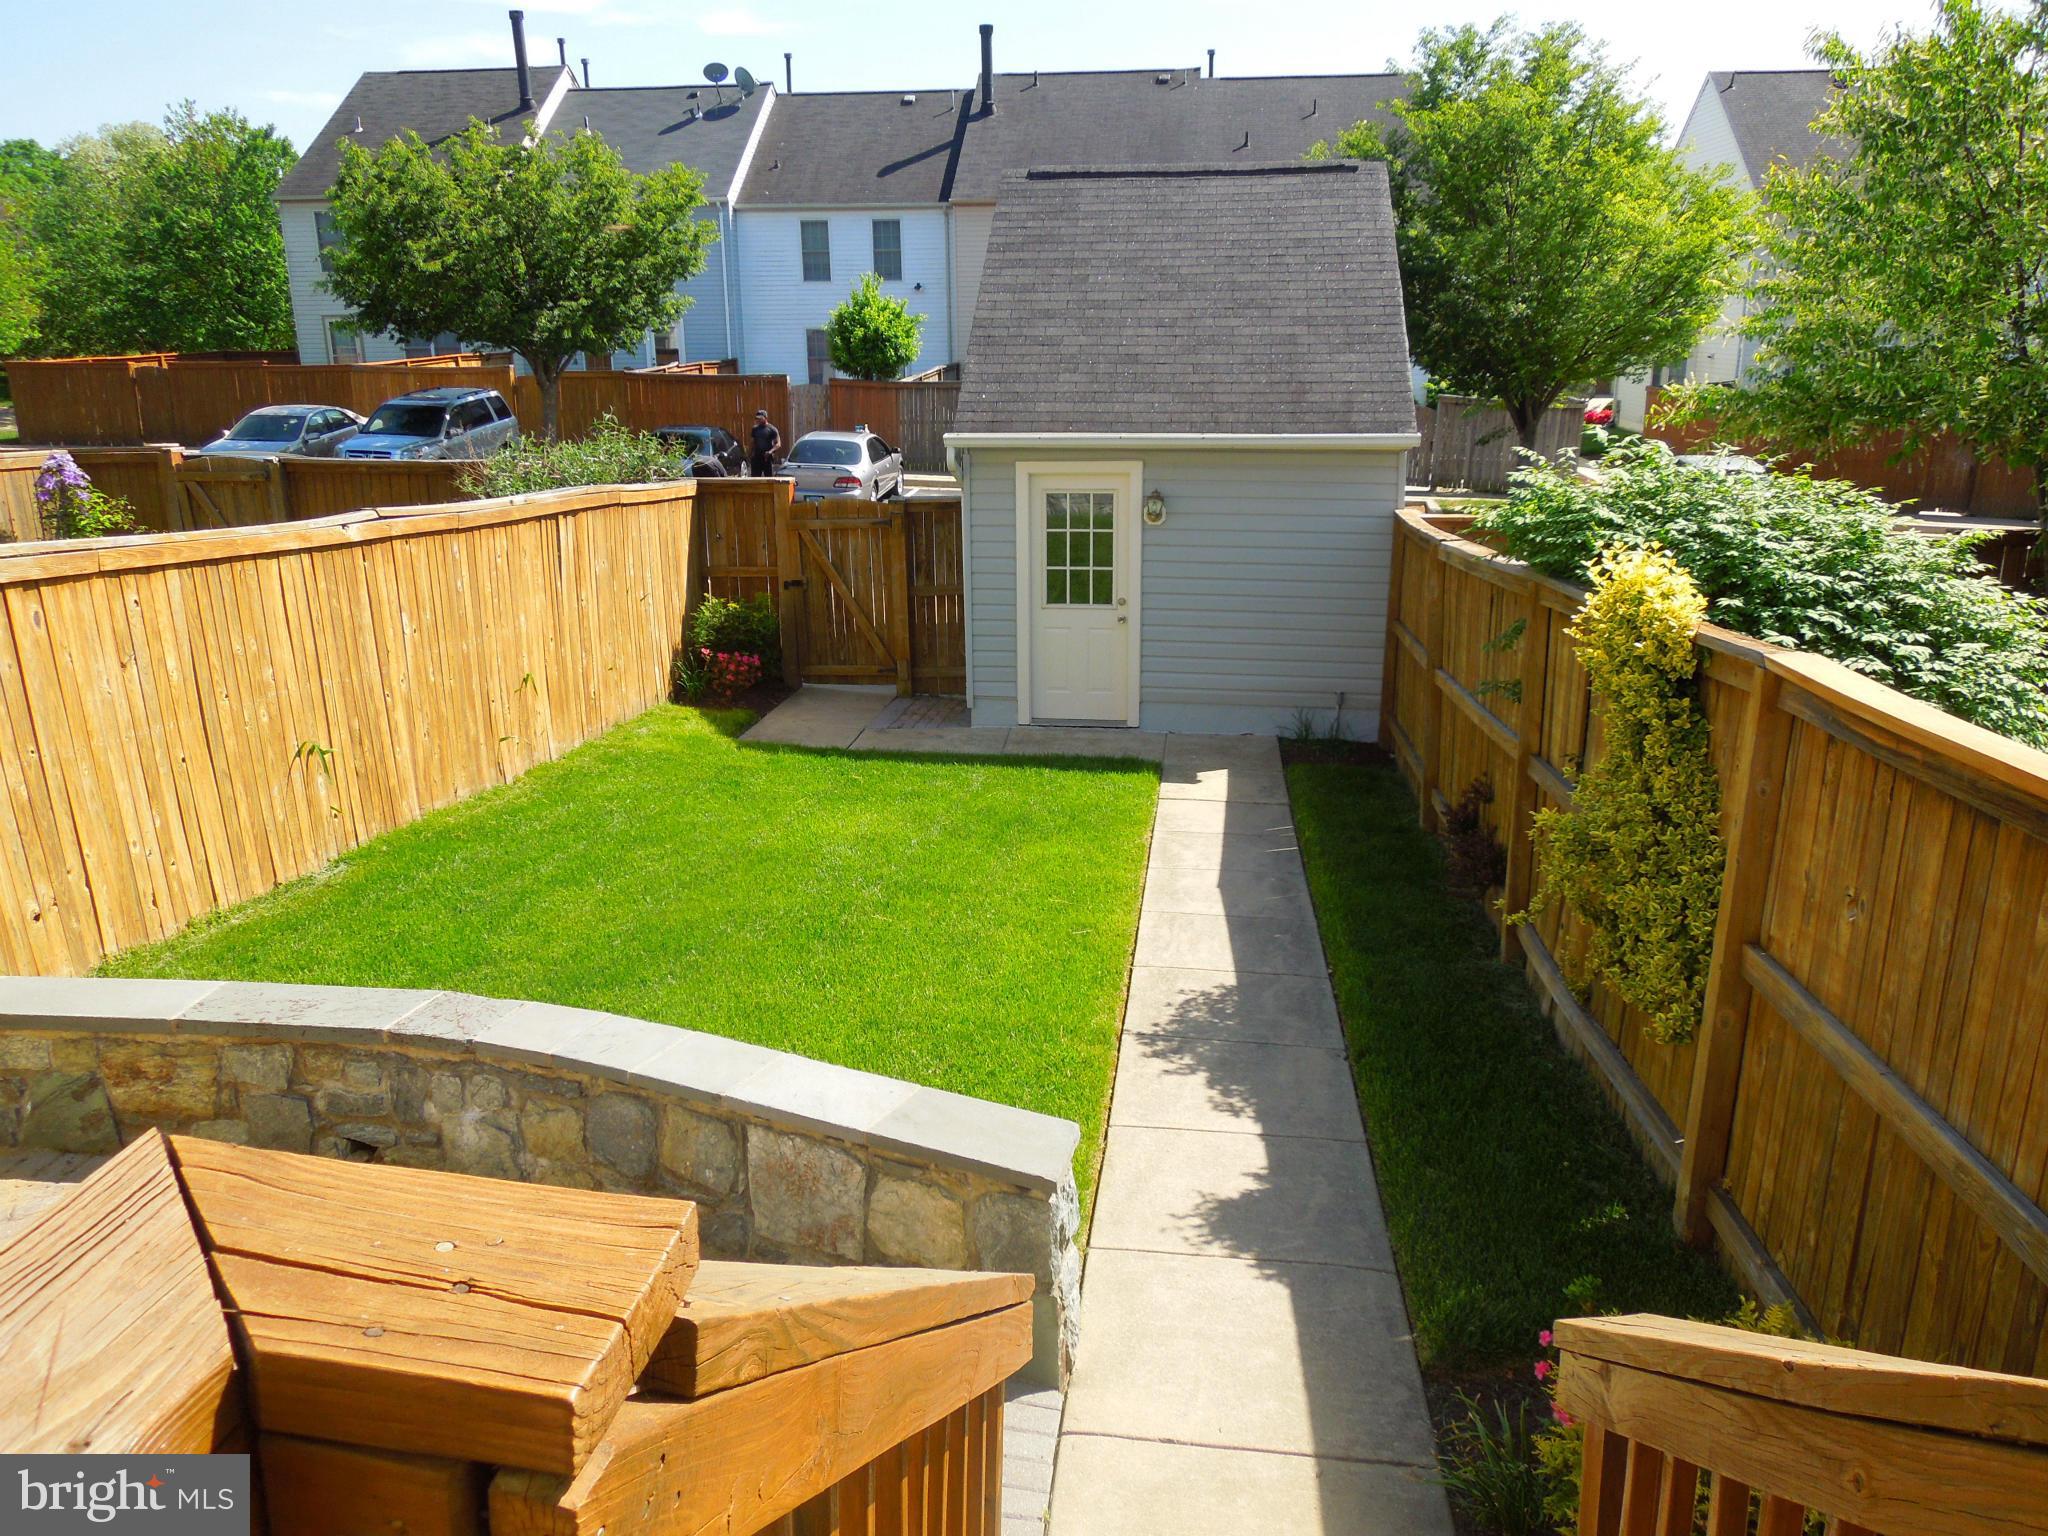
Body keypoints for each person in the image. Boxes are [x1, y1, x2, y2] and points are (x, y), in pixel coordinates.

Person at [747, 408, 781, 476]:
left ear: (765, 418)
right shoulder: (755, 429)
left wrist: (770, 452)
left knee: (769, 480)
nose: (758, 420)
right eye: (757, 418)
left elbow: (778, 444)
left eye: (760, 418)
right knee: (755, 480)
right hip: (757, 458)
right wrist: (749, 455)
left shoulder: (772, 429)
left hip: (767, 458)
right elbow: (752, 443)